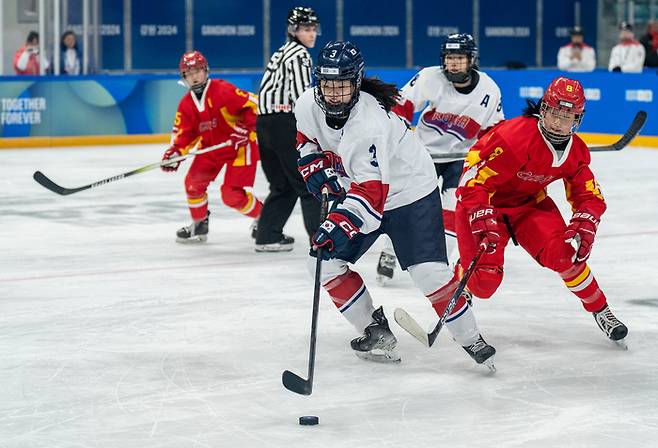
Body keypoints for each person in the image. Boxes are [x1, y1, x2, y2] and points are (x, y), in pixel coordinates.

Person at [294, 41, 496, 368]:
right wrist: (312, 163)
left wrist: (336, 225)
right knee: (322, 264)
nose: (333, 94)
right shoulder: (305, 104)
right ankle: (375, 331)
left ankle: (471, 338)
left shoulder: (368, 123)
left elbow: (372, 195)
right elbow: (306, 140)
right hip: (361, 190)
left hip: (409, 193)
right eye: (327, 84)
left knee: (429, 274)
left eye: (342, 85)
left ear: (356, 83)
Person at [454, 76, 628, 349]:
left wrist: (586, 221)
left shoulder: (576, 151)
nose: (560, 122)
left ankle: (600, 309)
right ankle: (463, 273)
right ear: (543, 109)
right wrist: (479, 214)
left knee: (565, 255)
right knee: (484, 285)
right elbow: (470, 182)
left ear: (578, 119)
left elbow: (588, 195)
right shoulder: (512, 138)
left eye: (568, 116)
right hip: (484, 206)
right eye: (556, 113)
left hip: (529, 205)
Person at [375, 33, 504, 285]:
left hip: (461, 158)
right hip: (423, 154)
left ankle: (441, 264)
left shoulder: (489, 90)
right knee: (406, 204)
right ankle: (390, 252)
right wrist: (396, 139)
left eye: (459, 58)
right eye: (449, 57)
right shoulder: (429, 77)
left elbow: (493, 132)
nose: (453, 63)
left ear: (471, 60)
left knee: (454, 209)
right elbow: (401, 105)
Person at [161, 50, 262, 243]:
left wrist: (245, 129)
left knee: (231, 195)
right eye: (188, 74)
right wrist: (175, 152)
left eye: (197, 71)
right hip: (211, 149)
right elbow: (185, 134)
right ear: (184, 78)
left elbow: (255, 105)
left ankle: (264, 217)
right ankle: (199, 224)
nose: (194, 77)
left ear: (206, 71)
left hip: (239, 149)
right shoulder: (186, 105)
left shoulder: (223, 91)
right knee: (193, 184)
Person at [254, 6, 321, 252]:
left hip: (265, 125)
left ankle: (267, 236)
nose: (312, 34)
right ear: (295, 30)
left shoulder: (282, 51)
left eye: (314, 29)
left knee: (282, 184)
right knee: (306, 181)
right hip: (284, 123)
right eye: (306, 29)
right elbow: (302, 96)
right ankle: (322, 242)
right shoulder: (300, 55)